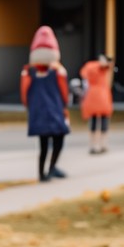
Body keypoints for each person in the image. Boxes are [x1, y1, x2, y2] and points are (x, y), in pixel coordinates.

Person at [20, 25, 71, 182]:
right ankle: (48, 170)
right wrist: (65, 106)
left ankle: (45, 171)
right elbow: (64, 93)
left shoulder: (28, 73)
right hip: (54, 111)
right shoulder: (58, 72)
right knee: (55, 140)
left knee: (45, 143)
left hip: (41, 111)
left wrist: (29, 106)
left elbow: (24, 94)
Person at [80, 54, 115, 154]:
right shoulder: (101, 68)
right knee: (104, 121)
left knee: (94, 122)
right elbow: (109, 65)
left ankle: (93, 145)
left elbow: (83, 74)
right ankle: (102, 144)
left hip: (91, 95)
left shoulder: (89, 67)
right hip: (102, 96)